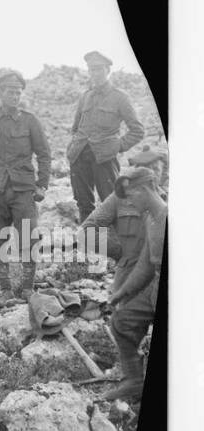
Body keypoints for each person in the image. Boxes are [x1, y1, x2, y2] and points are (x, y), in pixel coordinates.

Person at [81, 166, 166, 401]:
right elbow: (146, 266)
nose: (129, 201)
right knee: (122, 321)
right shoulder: (152, 219)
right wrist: (120, 293)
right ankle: (134, 382)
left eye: (133, 194)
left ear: (146, 189)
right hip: (149, 284)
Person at [0, 69, 51, 302]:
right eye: (10, 91)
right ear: (0, 92)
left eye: (18, 92)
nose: (14, 96)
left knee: (29, 236)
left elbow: (44, 154)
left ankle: (27, 287)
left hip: (23, 188)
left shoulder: (30, 120)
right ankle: (6, 289)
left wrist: (42, 185)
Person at [67, 51, 146, 221]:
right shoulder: (85, 96)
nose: (94, 73)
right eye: (91, 69)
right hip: (79, 156)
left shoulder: (120, 97)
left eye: (98, 69)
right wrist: (73, 146)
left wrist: (117, 146)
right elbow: (75, 128)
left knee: (111, 202)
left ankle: (114, 245)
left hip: (104, 159)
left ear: (108, 70)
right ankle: (89, 244)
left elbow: (137, 131)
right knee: (83, 203)